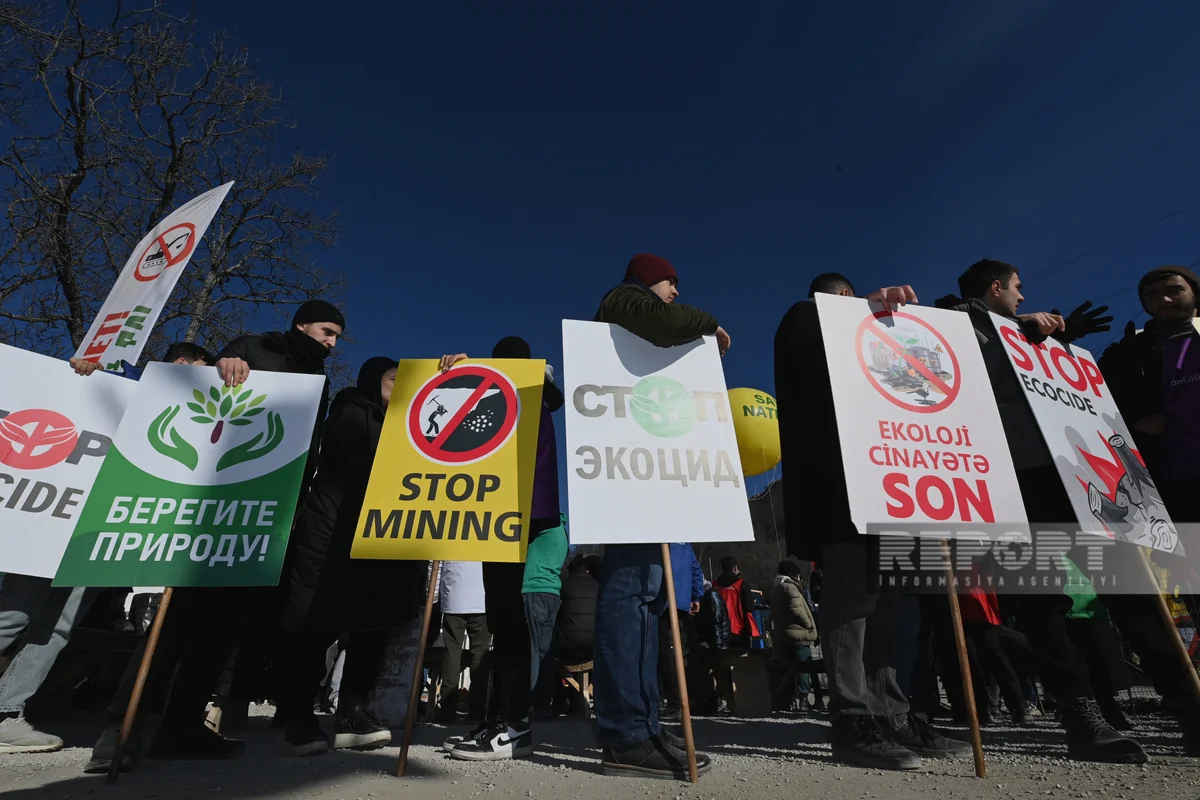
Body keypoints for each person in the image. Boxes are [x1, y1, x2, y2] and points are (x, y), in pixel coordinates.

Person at [952, 258, 1197, 761]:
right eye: (1018, 289)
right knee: (1044, 601)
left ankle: (1188, 707)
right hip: (1019, 480)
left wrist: (1063, 343)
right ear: (996, 288)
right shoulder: (958, 319)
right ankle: (1081, 717)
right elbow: (958, 344)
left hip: (1083, 476)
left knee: (1131, 591)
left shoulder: (1038, 338)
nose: (1023, 298)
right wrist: (1022, 329)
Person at [86, 301, 344, 772]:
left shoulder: (318, 381)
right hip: (211, 510)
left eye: (337, 337)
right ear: (302, 323)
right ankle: (123, 728)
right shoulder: (252, 349)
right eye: (327, 331)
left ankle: (181, 727)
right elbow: (193, 403)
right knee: (175, 621)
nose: (331, 343)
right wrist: (224, 365)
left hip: (264, 517)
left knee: (222, 631)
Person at [776, 274, 970, 770]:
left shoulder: (882, 337)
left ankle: (893, 713)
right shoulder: (804, 320)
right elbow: (804, 358)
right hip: (846, 493)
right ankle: (852, 718)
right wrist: (854, 315)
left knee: (900, 608)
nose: (853, 305)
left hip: (898, 491)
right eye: (843, 300)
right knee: (854, 604)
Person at [0, 344, 211, 755]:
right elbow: (74, 395)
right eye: (200, 371)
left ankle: (7, 712)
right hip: (56, 516)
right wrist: (87, 372)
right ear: (182, 364)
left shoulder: (185, 415)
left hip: (103, 528)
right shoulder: (122, 379)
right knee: (15, 612)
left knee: (59, 626)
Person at [591, 253, 725, 779]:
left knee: (647, 599)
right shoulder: (625, 300)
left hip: (647, 473)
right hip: (626, 480)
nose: (676, 293)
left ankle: (642, 724)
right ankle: (625, 733)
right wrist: (709, 322)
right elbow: (665, 323)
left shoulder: (636, 305)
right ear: (651, 280)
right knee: (629, 597)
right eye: (672, 283)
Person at [277, 356, 424, 756]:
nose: (400, 385)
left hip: (379, 537)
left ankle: (352, 714)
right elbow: (356, 465)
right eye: (394, 378)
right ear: (373, 379)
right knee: (317, 627)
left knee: (373, 626)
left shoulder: (406, 423)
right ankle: (300, 719)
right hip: (333, 537)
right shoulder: (350, 409)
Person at [442, 336, 563, 762]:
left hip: (515, 511)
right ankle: (496, 722)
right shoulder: (515, 394)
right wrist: (462, 373)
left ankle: (512, 726)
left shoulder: (531, 395)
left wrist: (470, 375)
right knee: (500, 619)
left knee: (508, 623)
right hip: (500, 510)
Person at [523, 512, 569, 720]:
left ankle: (527, 703)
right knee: (544, 653)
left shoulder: (545, 522)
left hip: (534, 589)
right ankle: (542, 706)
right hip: (552, 591)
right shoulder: (562, 532)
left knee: (530, 650)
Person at [434, 561, 490, 722]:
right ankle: (477, 711)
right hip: (481, 599)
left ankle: (447, 710)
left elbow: (436, 565)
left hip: (453, 597)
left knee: (451, 655)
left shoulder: (450, 535)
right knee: (480, 657)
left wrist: (436, 596)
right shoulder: (489, 536)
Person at [658, 543, 704, 721]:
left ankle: (674, 700)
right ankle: (686, 697)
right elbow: (695, 569)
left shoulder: (657, 539)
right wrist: (696, 596)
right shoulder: (684, 542)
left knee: (663, 652)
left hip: (662, 601)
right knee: (680, 650)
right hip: (682, 602)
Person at [770, 559, 818, 712]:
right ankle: (804, 699)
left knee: (789, 669)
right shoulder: (790, 588)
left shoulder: (776, 588)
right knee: (804, 666)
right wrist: (809, 624)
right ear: (793, 574)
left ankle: (788, 700)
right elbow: (797, 609)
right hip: (799, 634)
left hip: (784, 634)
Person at [712, 557, 759, 647]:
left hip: (719, 628)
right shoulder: (741, 584)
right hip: (738, 628)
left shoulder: (714, 585)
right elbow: (749, 607)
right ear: (735, 568)